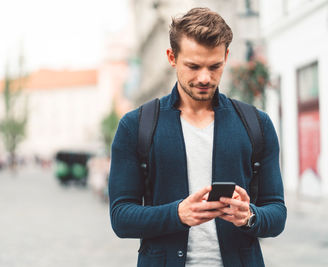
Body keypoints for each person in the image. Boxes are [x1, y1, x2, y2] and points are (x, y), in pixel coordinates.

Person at [108, 7, 286, 267]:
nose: (204, 77)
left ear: (226, 57)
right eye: (193, 66)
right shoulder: (135, 126)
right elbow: (121, 218)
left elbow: (277, 213)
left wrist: (250, 215)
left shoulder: (257, 124)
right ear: (172, 57)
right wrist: (178, 214)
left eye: (215, 66)